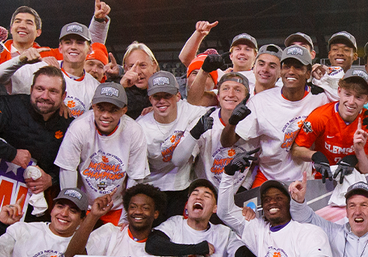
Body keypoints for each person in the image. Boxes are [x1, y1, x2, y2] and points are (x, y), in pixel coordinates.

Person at [0, 66, 71, 216]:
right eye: (40, 89)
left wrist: (51, 180)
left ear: (63, 96)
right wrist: (12, 153)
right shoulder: (10, 106)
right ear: (31, 89)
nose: (45, 96)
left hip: (36, 204)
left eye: (53, 91)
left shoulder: (68, 123)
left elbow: (74, 165)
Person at [234, 44, 334, 186]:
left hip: (304, 177)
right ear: (281, 70)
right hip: (267, 175)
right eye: (287, 66)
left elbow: (346, 101)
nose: (291, 71)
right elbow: (234, 139)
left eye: (298, 67)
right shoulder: (260, 101)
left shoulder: (321, 98)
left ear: (308, 73)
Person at [54, 82, 149, 224]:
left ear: (124, 110)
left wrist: (126, 216)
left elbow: (135, 177)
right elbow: (68, 169)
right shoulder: (79, 127)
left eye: (113, 110)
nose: (105, 115)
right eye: (101, 108)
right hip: (84, 205)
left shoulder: (134, 131)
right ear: (93, 106)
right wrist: (74, 210)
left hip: (117, 207)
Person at [62, 184, 208, 257]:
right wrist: (93, 215)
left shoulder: (162, 247)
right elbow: (71, 256)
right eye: (133, 207)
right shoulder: (111, 232)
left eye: (145, 208)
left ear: (155, 213)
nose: (138, 211)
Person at [135, 71, 209, 218]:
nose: (161, 100)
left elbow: (179, 161)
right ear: (150, 99)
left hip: (183, 186)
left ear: (178, 96)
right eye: (156, 97)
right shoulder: (141, 127)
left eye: (167, 95)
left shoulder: (191, 112)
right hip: (151, 187)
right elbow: (136, 174)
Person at [0, 21, 102, 118]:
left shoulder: (95, 87)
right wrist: (19, 60)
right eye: (68, 42)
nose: (73, 47)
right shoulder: (41, 68)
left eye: (80, 43)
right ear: (60, 48)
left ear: (90, 49)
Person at [291, 68, 368, 177]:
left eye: (359, 97)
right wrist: (315, 156)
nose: (351, 102)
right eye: (347, 94)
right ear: (339, 91)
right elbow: (296, 150)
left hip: (352, 179)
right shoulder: (320, 116)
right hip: (321, 178)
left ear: (367, 99)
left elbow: (367, 169)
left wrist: (356, 157)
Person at [149, 179, 244, 257]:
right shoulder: (175, 223)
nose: (199, 197)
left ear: (215, 208)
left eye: (206, 195)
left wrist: (248, 222)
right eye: (194, 194)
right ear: (186, 205)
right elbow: (152, 244)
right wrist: (196, 249)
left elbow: (244, 255)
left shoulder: (224, 233)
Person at [193, 73, 256, 188]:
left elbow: (258, 162)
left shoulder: (254, 121)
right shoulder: (204, 120)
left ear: (247, 98)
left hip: (239, 193)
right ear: (218, 96)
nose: (230, 94)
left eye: (237, 90)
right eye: (225, 89)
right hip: (207, 191)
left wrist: (246, 186)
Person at [114, 42, 161, 119]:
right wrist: (121, 87)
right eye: (131, 66)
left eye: (142, 65)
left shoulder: (165, 89)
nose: (138, 71)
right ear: (125, 69)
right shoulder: (118, 89)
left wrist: (160, 110)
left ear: (154, 66)